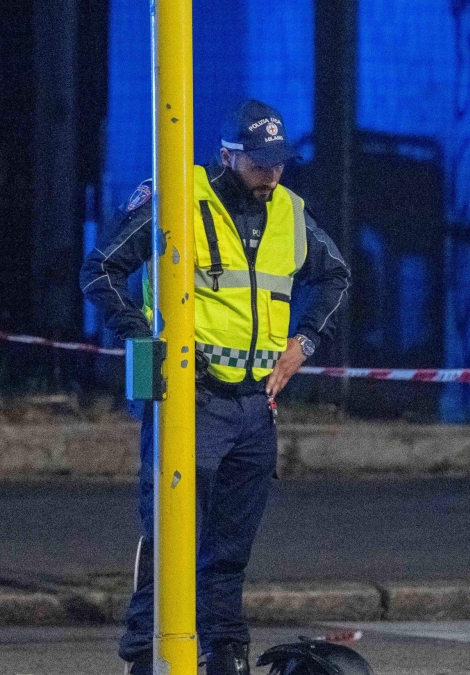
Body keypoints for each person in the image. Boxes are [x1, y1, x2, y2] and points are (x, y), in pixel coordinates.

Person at [80, 99, 351, 675]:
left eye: (278, 162)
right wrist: (146, 340)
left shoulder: (291, 211)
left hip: (256, 405)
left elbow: (336, 276)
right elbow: (101, 268)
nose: (271, 173)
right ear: (227, 156)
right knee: (170, 536)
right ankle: (146, 652)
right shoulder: (177, 196)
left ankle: (224, 648)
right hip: (191, 398)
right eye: (259, 162)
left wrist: (304, 343)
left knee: (230, 547)